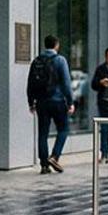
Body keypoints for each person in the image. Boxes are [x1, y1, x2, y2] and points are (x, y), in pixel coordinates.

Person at [27, 35, 74, 174]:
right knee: (63, 129)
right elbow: (66, 84)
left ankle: (44, 165)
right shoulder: (60, 60)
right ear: (57, 45)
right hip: (58, 101)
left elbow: (30, 84)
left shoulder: (36, 61)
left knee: (43, 133)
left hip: (41, 102)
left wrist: (31, 102)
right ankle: (54, 156)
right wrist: (70, 102)